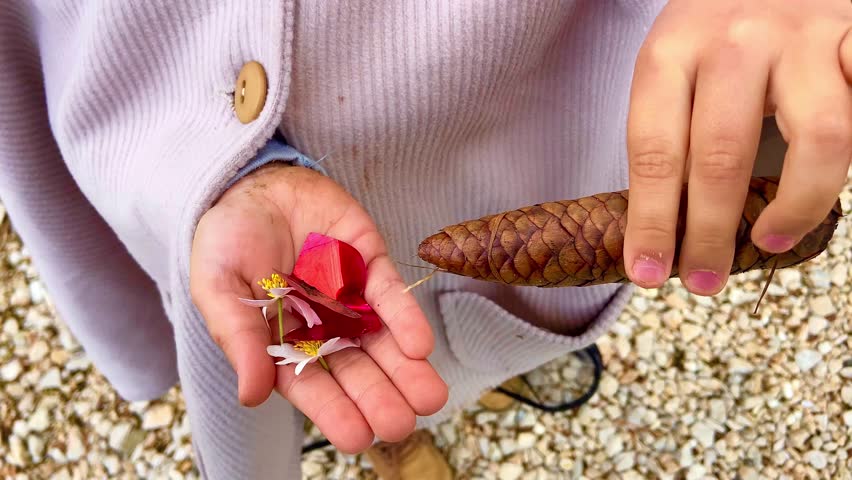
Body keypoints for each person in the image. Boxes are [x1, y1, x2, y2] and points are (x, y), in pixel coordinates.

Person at [0, 1, 849, 478]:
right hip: (159, 107)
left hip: (504, 94)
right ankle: (380, 434)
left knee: (466, 315)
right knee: (276, 353)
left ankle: (426, 407)